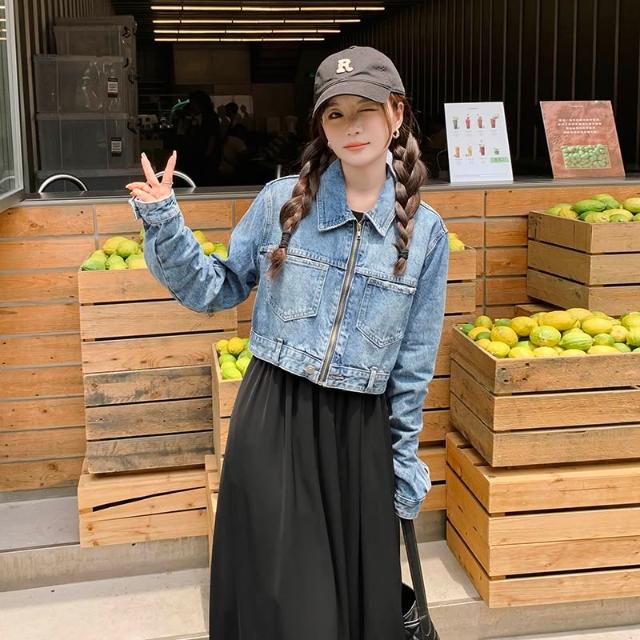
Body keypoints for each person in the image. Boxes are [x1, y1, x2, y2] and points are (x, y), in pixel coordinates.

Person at [125, 45, 448, 640]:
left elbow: (413, 365)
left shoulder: (427, 233)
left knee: (351, 606)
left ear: (396, 113)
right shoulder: (281, 202)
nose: (351, 127)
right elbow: (216, 287)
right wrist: (167, 223)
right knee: (289, 607)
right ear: (321, 126)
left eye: (365, 109)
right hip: (274, 422)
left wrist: (403, 463)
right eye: (335, 114)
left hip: (359, 437)